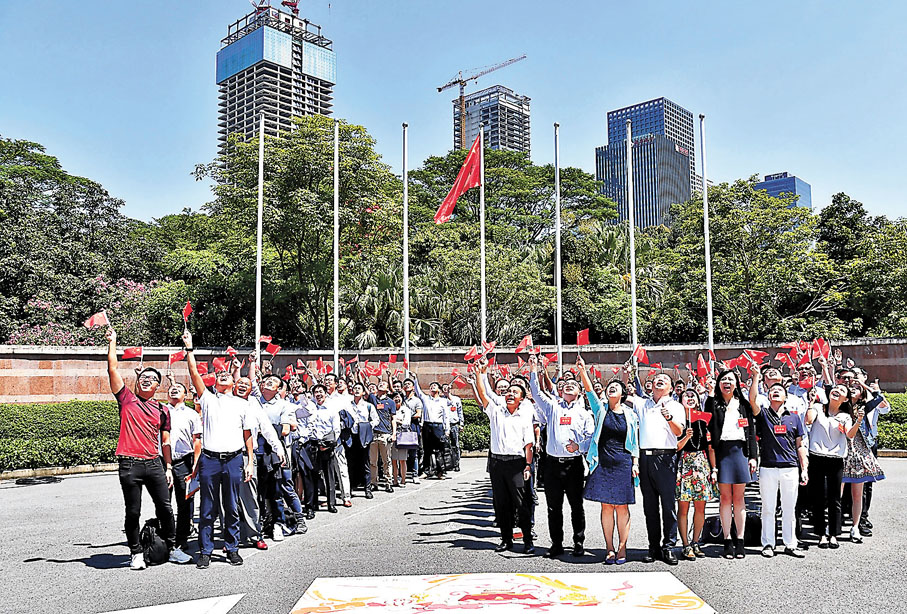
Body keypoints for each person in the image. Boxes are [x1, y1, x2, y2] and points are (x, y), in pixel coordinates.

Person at [105, 328, 190, 569]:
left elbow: (165, 441)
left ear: (158, 386)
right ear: (137, 381)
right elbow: (112, 369)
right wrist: (112, 342)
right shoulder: (126, 399)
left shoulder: (163, 410)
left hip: (154, 463)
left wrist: (168, 467)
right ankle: (136, 553)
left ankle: (173, 549)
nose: (147, 379)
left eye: (153, 379)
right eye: (144, 377)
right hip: (129, 464)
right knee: (133, 512)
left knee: (165, 508)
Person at [182, 331, 254, 569]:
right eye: (219, 375)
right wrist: (190, 348)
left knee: (232, 507)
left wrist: (250, 461)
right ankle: (205, 550)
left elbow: (248, 435)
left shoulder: (243, 404)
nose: (223, 376)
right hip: (210, 460)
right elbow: (193, 374)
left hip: (233, 460)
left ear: (234, 382)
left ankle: (232, 548)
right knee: (207, 509)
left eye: (227, 375)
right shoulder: (207, 399)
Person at [527, 355, 594, 559]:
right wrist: (533, 369)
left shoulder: (584, 413)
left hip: (573, 466)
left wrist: (579, 446)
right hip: (552, 466)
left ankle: (578, 542)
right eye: (565, 384)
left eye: (574, 385)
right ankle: (556, 544)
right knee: (553, 507)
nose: (568, 386)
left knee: (576, 506)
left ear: (580, 392)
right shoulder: (553, 407)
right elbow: (537, 393)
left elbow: (591, 438)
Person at [577, 360, 638, 565]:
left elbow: (634, 442)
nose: (612, 389)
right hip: (603, 463)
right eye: (609, 387)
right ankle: (609, 548)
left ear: (622, 393)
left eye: (616, 387)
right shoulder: (600, 409)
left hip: (623, 463)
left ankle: (622, 547)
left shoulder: (631, 415)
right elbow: (588, 391)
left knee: (622, 507)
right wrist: (583, 371)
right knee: (606, 507)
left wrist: (635, 463)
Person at [474, 358, 535, 554]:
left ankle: (527, 540)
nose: (510, 394)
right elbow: (483, 394)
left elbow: (529, 445)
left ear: (522, 398)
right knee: (501, 504)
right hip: (497, 464)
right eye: (508, 391)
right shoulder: (496, 412)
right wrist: (480, 374)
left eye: (515, 392)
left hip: (517, 465)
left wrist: (527, 466)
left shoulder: (524, 416)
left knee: (521, 503)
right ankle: (506, 539)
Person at [706, 370, 759, 560]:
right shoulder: (714, 403)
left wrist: (753, 456)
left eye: (731, 379)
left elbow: (751, 433)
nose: (727, 382)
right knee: (725, 498)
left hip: (740, 453)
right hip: (721, 453)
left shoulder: (743, 405)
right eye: (723, 379)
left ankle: (740, 539)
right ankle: (727, 539)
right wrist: (711, 392)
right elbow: (709, 423)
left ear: (737, 383)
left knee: (739, 498)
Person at [633, 372, 685, 565]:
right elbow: (625, 395)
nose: (659, 380)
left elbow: (679, 432)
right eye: (656, 379)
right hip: (645, 458)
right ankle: (653, 546)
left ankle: (669, 546)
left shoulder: (676, 406)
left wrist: (669, 418)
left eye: (664, 379)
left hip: (666, 458)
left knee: (668, 506)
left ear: (671, 387)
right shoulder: (643, 404)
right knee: (650, 506)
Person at [752, 383, 808, 558]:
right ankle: (768, 543)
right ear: (768, 396)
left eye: (780, 391)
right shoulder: (763, 415)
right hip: (768, 468)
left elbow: (800, 445)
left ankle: (790, 544)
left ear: (786, 397)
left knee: (789, 508)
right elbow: (752, 399)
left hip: (790, 468)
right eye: (772, 390)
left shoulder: (794, 417)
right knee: (768, 508)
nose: (775, 392)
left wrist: (804, 468)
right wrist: (755, 378)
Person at [805, 384, 859, 549]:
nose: (837, 391)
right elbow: (808, 420)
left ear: (845, 399)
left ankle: (834, 534)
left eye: (842, 391)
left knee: (835, 498)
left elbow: (850, 435)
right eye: (836, 388)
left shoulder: (845, 416)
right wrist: (810, 403)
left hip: (836, 459)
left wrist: (859, 421)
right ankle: (821, 534)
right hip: (816, 456)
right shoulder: (817, 407)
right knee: (819, 497)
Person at [232, 374, 283, 548]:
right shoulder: (225, 401)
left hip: (248, 455)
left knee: (250, 496)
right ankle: (231, 537)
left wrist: (278, 448)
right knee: (227, 499)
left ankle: (255, 535)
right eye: (240, 382)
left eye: (246, 384)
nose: (242, 386)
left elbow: (266, 427)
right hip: (225, 455)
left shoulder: (254, 403)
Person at [674, 388, 717, 560]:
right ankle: (685, 544)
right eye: (686, 395)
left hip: (701, 464)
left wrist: (714, 469)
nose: (690, 398)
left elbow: (710, 447)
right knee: (683, 507)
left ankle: (695, 541)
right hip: (683, 464)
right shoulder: (676, 419)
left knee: (700, 507)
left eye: (693, 396)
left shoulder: (704, 419)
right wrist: (685, 437)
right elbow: (675, 446)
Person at [842, 382, 885, 543]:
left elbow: (878, 397)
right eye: (851, 386)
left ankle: (856, 526)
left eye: (857, 388)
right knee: (836, 492)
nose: (854, 388)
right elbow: (828, 388)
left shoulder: (863, 407)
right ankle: (833, 524)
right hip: (841, 449)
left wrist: (864, 385)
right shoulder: (841, 406)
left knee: (858, 494)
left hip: (860, 450)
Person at [296, 383, 342, 515]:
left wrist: (329, 444)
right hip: (312, 445)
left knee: (329, 476)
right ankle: (312, 506)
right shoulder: (310, 409)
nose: (319, 394)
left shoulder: (331, 410)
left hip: (327, 446)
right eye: (316, 392)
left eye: (321, 391)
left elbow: (336, 429)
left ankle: (331, 504)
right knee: (312, 477)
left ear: (326, 393)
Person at [411, 373, 452, 479]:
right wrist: (415, 379)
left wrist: (447, 429)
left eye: (434, 386)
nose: (432, 387)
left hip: (438, 426)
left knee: (439, 450)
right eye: (431, 386)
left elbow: (446, 416)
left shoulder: (443, 401)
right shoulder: (426, 399)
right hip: (427, 426)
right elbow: (418, 392)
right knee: (427, 450)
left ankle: (440, 472)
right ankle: (426, 471)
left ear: (438, 389)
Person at [349, 382, 379, 499]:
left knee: (365, 463)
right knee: (351, 463)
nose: (356, 390)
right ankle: (350, 488)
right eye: (355, 388)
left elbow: (376, 420)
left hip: (364, 436)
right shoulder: (348, 405)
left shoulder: (368, 406)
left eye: (359, 389)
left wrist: (367, 427)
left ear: (363, 392)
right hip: (352, 436)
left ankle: (368, 488)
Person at [367, 379, 396, 494]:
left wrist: (394, 433)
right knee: (373, 461)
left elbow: (393, 418)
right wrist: (359, 374)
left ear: (388, 389)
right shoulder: (373, 398)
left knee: (386, 460)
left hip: (385, 434)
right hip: (374, 433)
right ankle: (374, 483)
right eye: (380, 383)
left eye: (384, 384)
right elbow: (365, 387)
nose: (381, 384)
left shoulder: (391, 402)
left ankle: (388, 482)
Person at [390, 391, 411, 487]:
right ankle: (395, 480)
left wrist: (395, 420)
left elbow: (406, 423)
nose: (397, 399)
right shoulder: (390, 409)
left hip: (403, 435)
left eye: (399, 397)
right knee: (393, 459)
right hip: (392, 435)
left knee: (402, 459)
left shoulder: (406, 410)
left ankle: (403, 480)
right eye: (395, 398)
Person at [442, 383, 464, 472]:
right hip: (444, 425)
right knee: (445, 445)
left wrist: (461, 424)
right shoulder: (441, 400)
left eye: (447, 388)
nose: (445, 389)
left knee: (455, 445)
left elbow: (460, 411)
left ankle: (456, 464)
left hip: (454, 424)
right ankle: (447, 464)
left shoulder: (456, 399)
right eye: (444, 388)